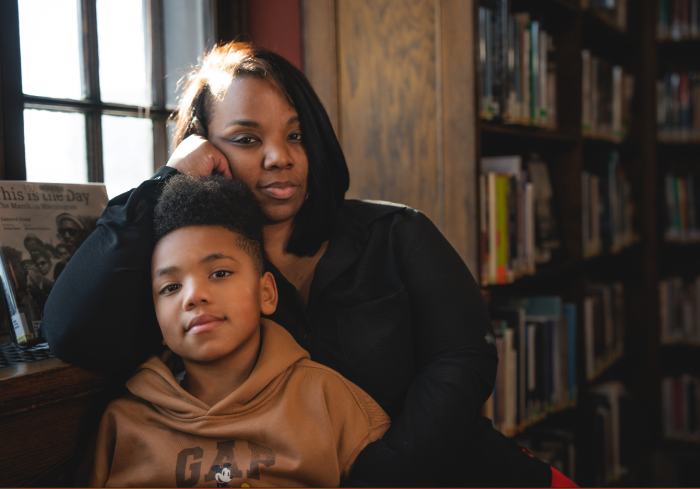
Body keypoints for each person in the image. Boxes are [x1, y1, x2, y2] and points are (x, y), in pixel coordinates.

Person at [43, 42, 575, 487]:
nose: (280, 156)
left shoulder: (398, 234)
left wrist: (381, 477)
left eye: (295, 135)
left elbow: (464, 360)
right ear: (207, 151)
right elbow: (71, 333)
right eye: (249, 139)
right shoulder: (194, 278)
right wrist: (165, 180)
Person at [85, 174, 391, 487]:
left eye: (219, 273)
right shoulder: (124, 423)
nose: (193, 296)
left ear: (266, 294)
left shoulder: (330, 401)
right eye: (171, 286)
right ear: (158, 323)